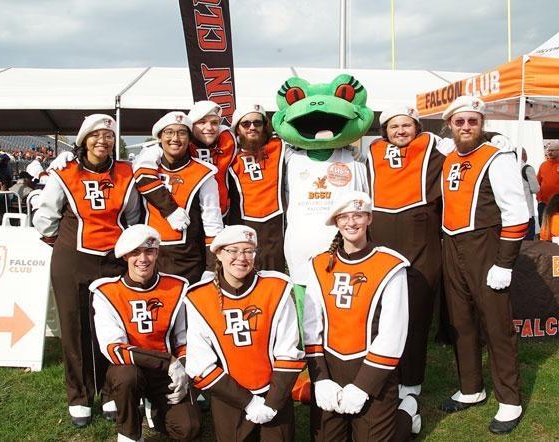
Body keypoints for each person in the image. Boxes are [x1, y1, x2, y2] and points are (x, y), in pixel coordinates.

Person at [33, 114, 142, 427]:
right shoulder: (64, 171)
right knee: (74, 327)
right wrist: (65, 245)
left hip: (113, 259)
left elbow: (132, 216)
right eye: (95, 135)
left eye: (108, 136)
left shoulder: (126, 172)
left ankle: (110, 391)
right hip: (72, 258)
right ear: (83, 139)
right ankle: (79, 396)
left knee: (111, 327)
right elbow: (46, 218)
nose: (102, 141)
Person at [438, 96, 529, 434]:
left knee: (496, 326)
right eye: (459, 122)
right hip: (451, 245)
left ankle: (510, 400)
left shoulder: (497, 156)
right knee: (460, 322)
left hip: (484, 246)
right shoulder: (447, 154)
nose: (466, 127)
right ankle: (471, 388)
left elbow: (517, 213)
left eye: (472, 121)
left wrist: (504, 262)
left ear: (482, 123)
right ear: (449, 125)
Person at [365, 105, 446, 437]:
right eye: (395, 126)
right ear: (385, 130)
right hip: (382, 238)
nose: (401, 131)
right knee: (381, 313)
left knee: (415, 313)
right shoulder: (371, 153)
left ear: (416, 126)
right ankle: (383, 373)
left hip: (420, 240)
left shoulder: (435, 146)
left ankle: (411, 382)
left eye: (407, 125)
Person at [303, 191, 409, 441]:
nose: (351, 223)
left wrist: (363, 386)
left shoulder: (391, 266)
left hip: (374, 374)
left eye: (358, 216)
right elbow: (311, 326)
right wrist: (321, 380)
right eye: (345, 217)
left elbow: (393, 334)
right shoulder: (318, 264)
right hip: (331, 369)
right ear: (336, 222)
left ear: (369, 219)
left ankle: (406, 413)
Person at [185, 225, 304, 441]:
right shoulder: (198, 297)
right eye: (233, 250)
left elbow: (289, 351)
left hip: (274, 391)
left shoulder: (276, 288)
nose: (242, 258)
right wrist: (248, 402)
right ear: (219, 254)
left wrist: (272, 402)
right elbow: (199, 364)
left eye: (248, 251)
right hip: (230, 396)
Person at [91, 225, 200, 442]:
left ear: (157, 253)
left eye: (149, 251)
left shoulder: (177, 287)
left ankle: (156, 411)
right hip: (131, 369)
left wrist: (184, 370)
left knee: (189, 428)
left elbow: (183, 339)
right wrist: (168, 361)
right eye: (135, 253)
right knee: (126, 376)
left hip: (167, 374)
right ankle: (129, 434)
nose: (143, 259)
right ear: (125, 257)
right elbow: (115, 350)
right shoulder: (106, 292)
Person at [141, 111, 223, 284]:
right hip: (148, 259)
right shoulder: (145, 168)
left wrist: (211, 268)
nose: (175, 138)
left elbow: (212, 222)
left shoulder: (205, 173)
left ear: (189, 138)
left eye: (182, 133)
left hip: (188, 261)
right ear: (160, 137)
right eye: (169, 132)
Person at [226, 104, 287, 272]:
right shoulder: (228, 155)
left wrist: (347, 149)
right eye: (245, 124)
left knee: (274, 279)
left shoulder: (280, 147)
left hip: (275, 228)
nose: (252, 127)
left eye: (257, 123)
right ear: (237, 129)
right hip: (242, 224)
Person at [188, 100, 238, 217]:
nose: (209, 127)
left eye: (214, 123)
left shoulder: (229, 142)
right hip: (189, 214)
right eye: (202, 122)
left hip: (221, 213)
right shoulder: (181, 145)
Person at [520, 148, 540, 240]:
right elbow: (535, 189)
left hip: (512, 212)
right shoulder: (527, 168)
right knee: (528, 240)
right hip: (527, 211)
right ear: (524, 155)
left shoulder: (508, 168)